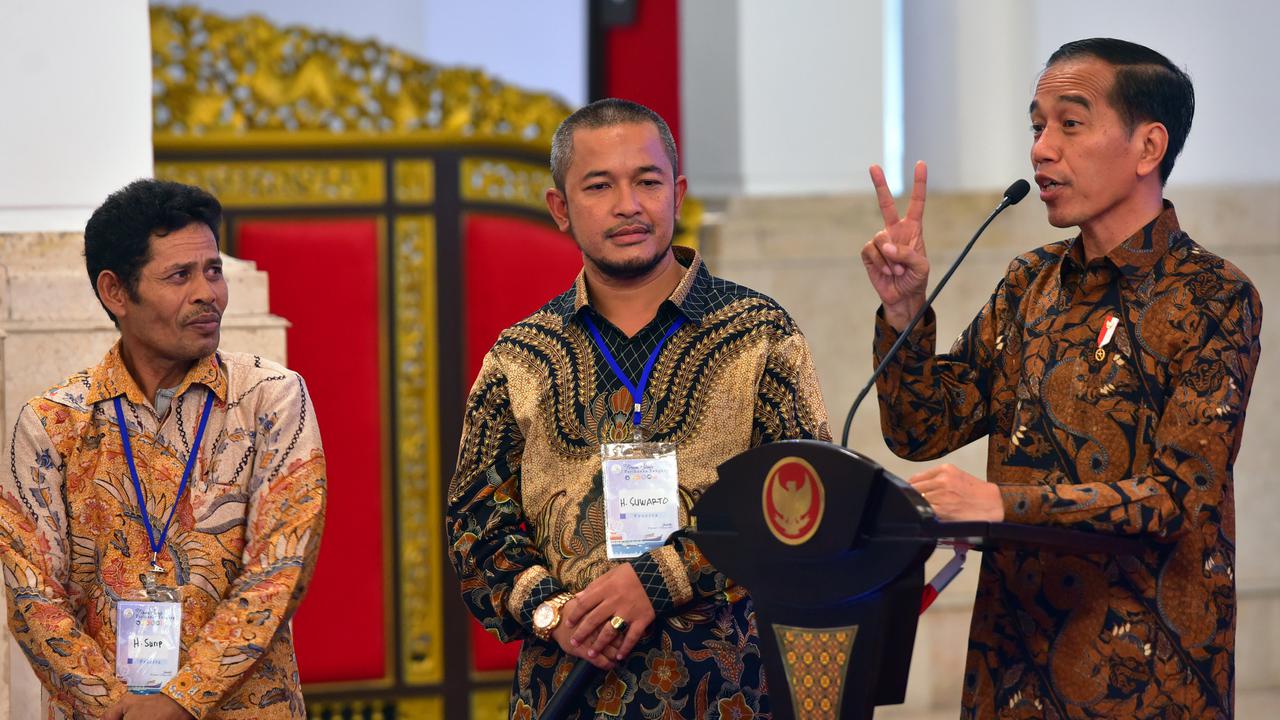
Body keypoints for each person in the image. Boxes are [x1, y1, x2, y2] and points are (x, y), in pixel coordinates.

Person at [862, 38, 1261, 717]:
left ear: (1148, 146)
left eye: (1069, 124)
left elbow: (1173, 500)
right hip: (1011, 665)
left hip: (1147, 677)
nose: (1042, 149)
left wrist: (998, 505)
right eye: (1037, 126)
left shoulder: (1213, 295)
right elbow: (920, 429)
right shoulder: (1029, 283)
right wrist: (904, 311)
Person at [447, 98, 830, 718]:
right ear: (561, 210)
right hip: (567, 687)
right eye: (599, 186)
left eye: (647, 181)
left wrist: (659, 579)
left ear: (676, 194)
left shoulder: (761, 335)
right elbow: (474, 529)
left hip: (730, 689)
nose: (628, 205)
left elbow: (803, 503)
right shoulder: (519, 357)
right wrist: (552, 610)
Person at [0, 180, 327, 719]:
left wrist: (181, 698)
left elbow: (280, 568)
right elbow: (34, 596)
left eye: (214, 270)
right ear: (115, 292)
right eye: (181, 275)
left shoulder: (269, 398)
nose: (209, 293)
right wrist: (117, 708)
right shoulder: (54, 422)